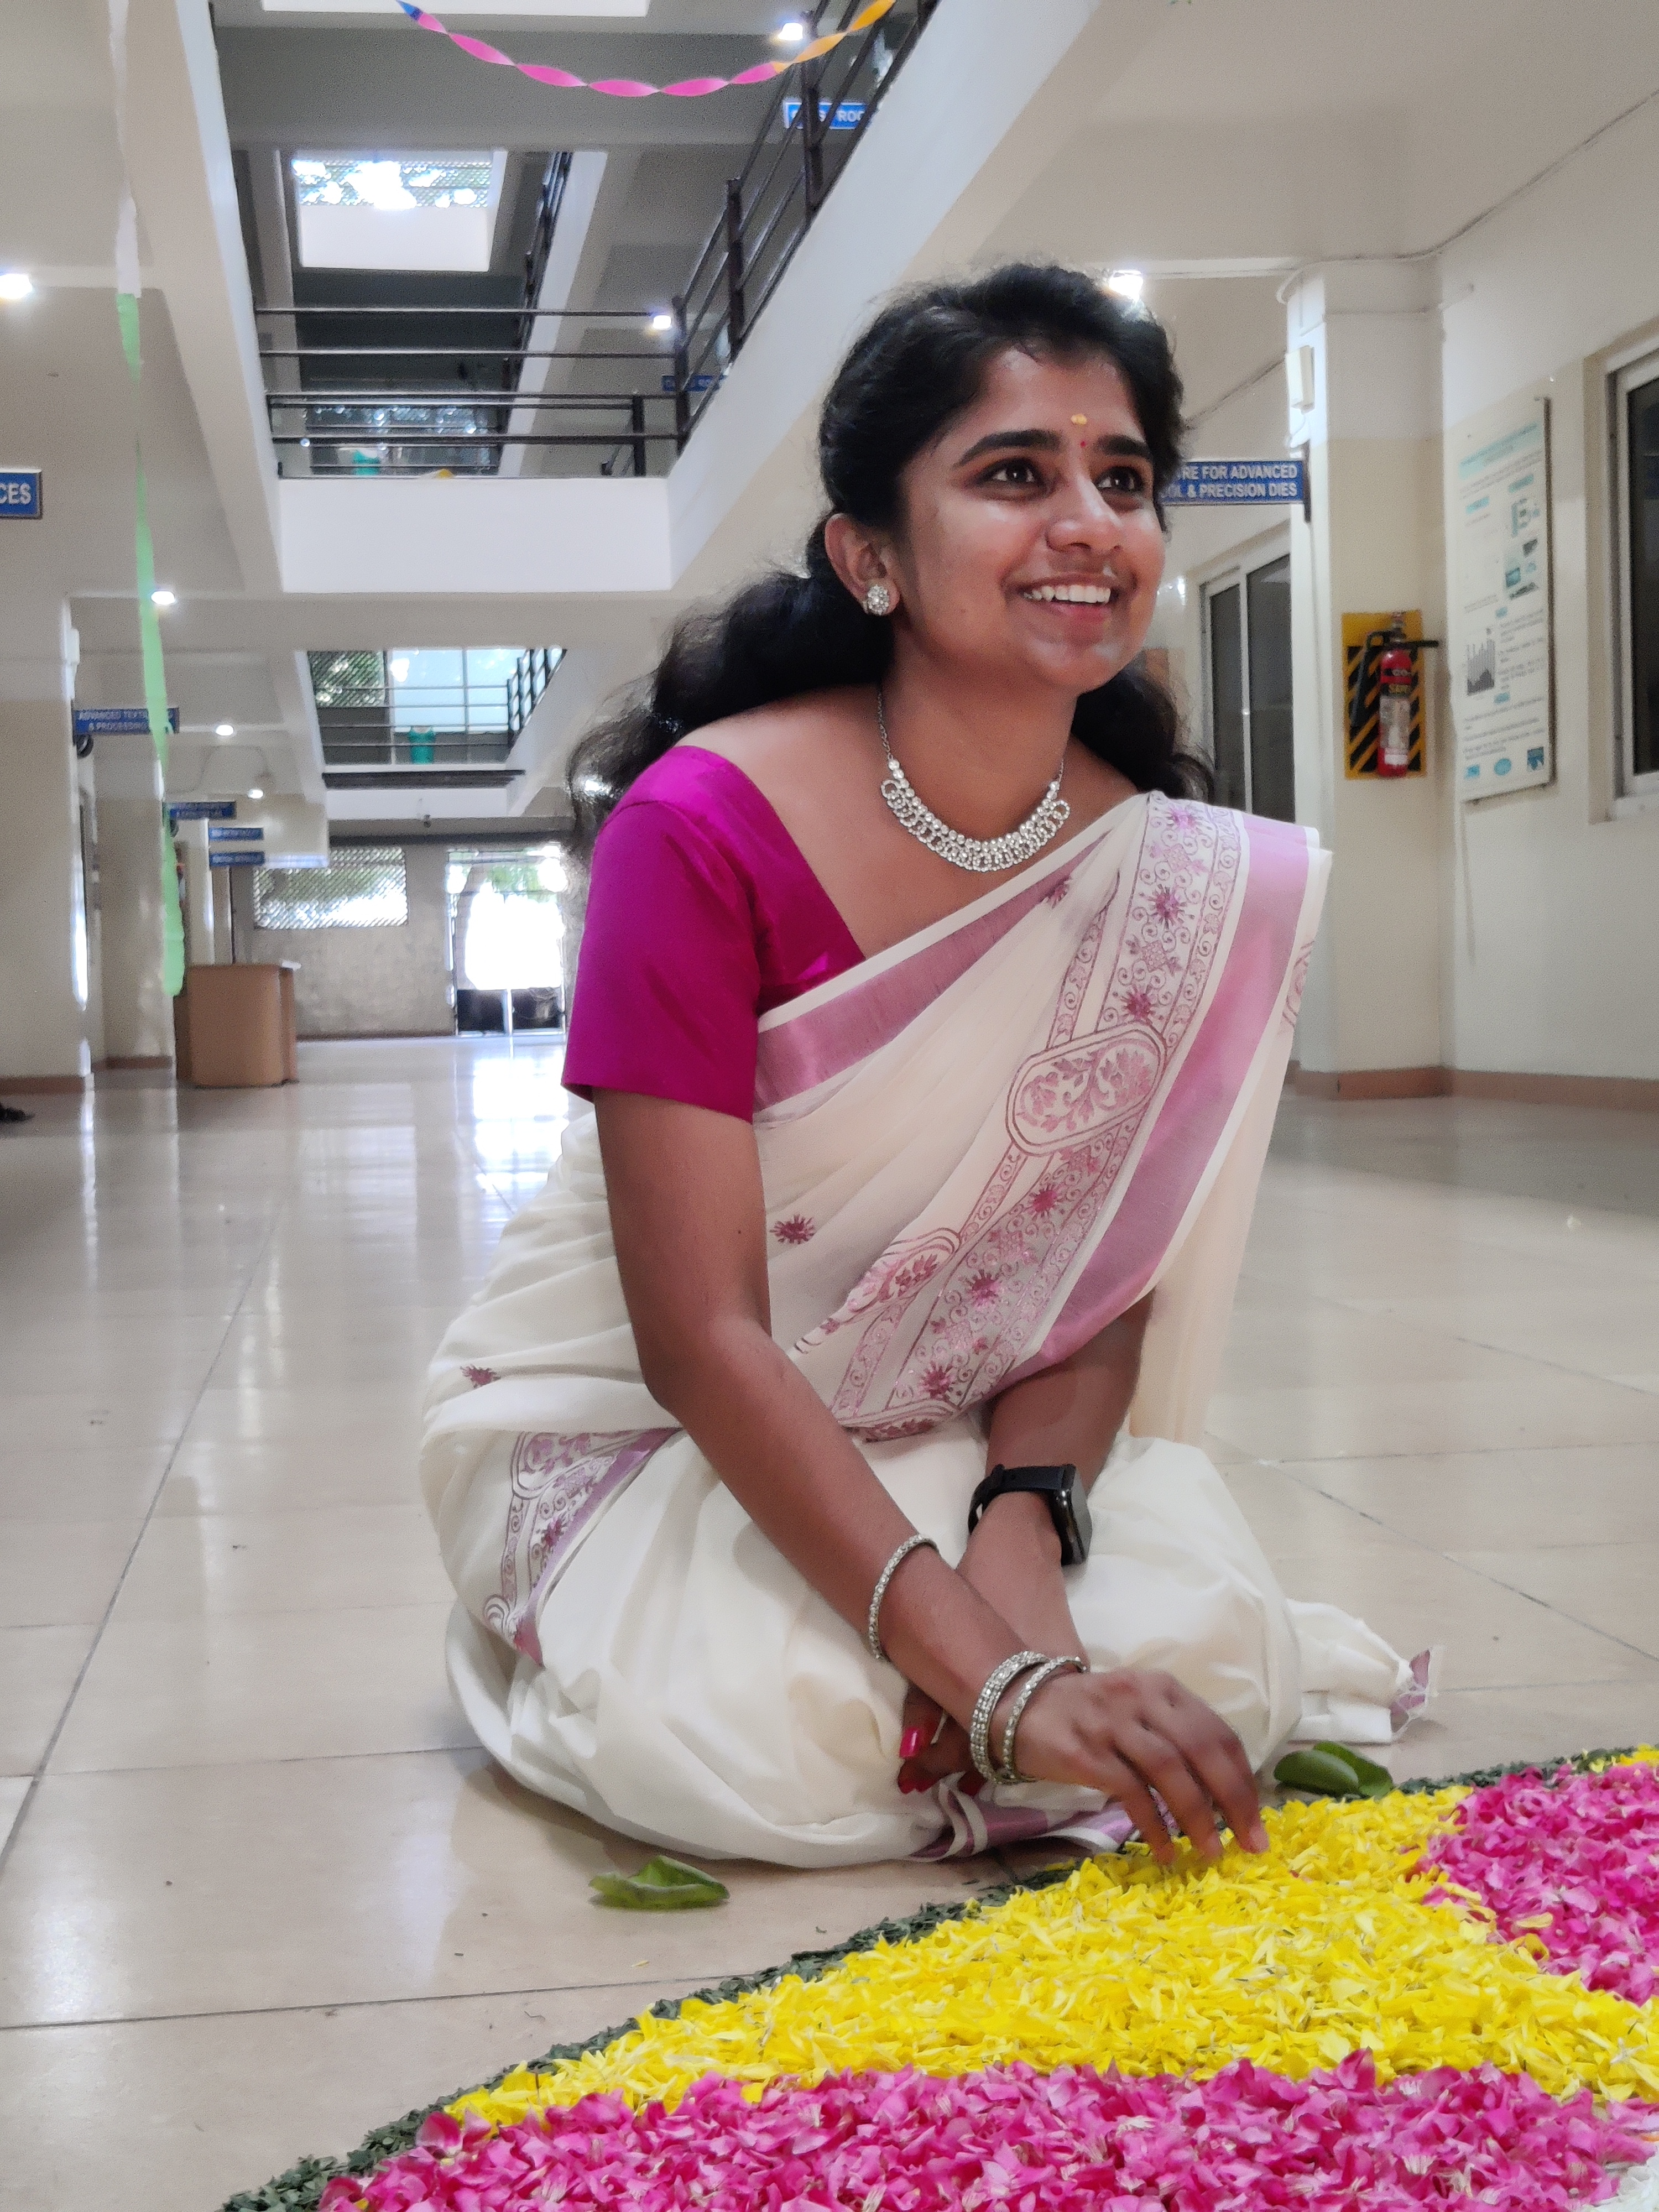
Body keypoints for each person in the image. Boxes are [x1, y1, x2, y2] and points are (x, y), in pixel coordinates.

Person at [421, 264, 1423, 1870]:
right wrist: (1001, 1676)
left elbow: (1086, 1278)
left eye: (1125, 480)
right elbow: (701, 1339)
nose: (1088, 524)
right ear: (869, 556)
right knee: (770, 1742)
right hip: (656, 1414)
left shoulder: (1161, 869)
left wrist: (1022, 1531)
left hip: (965, 1411)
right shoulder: (700, 828)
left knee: (1208, 1658)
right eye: (1015, 474)